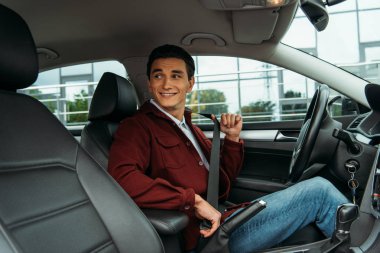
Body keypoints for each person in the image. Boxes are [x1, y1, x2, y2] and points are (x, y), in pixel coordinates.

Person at [108, 44, 348, 253]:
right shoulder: (137, 127)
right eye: (158, 76)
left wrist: (231, 139)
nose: (167, 83)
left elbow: (220, 182)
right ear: (149, 83)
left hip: (224, 216)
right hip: (205, 237)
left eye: (176, 75)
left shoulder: (188, 126)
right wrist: (193, 201)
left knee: (313, 196)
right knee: (320, 192)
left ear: (190, 83)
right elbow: (122, 178)